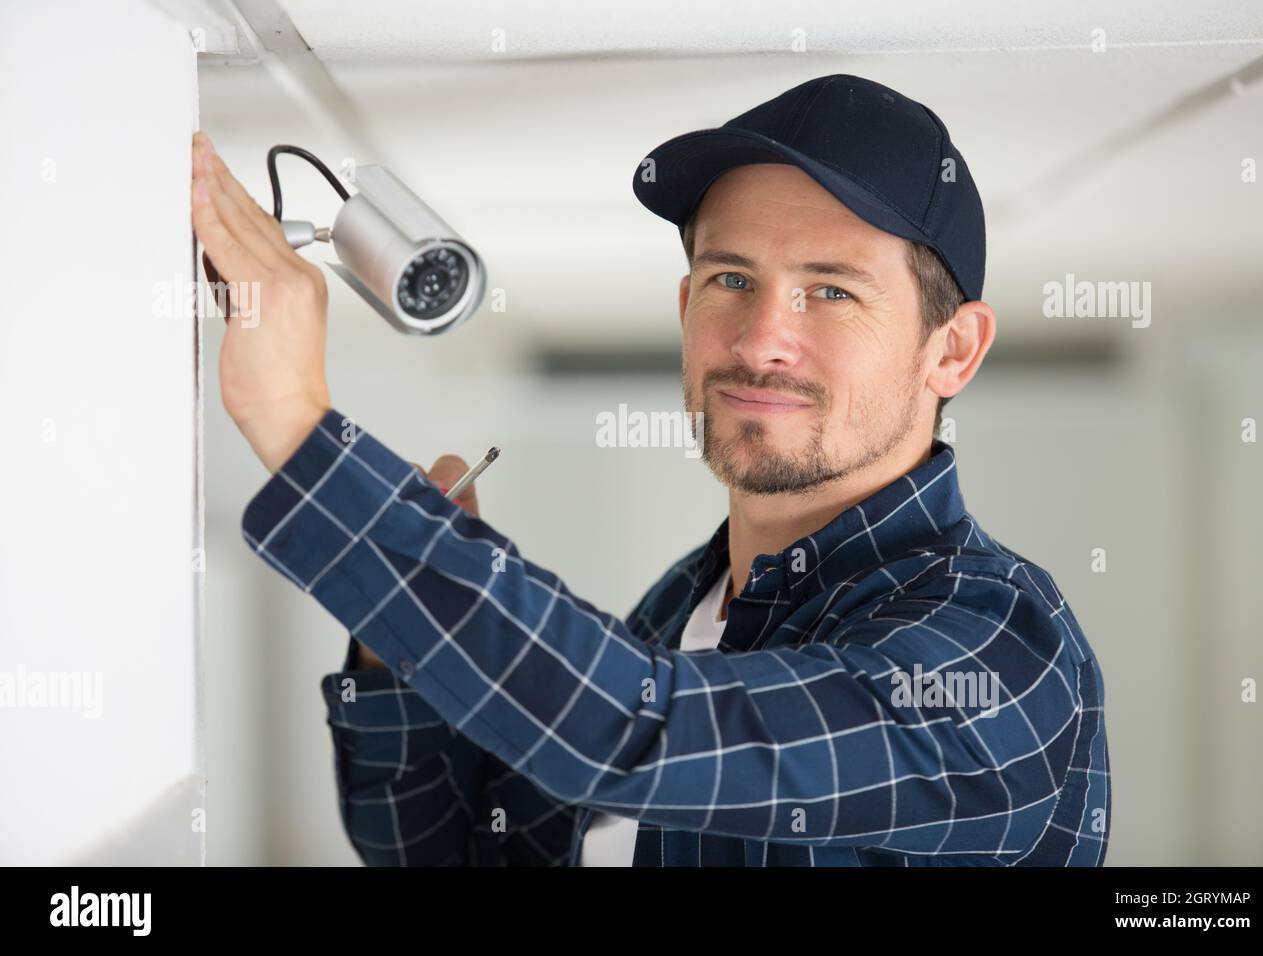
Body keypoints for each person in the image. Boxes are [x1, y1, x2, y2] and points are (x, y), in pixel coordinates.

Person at [192, 72, 1110, 867]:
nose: (761, 341)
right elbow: (463, 852)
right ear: (685, 305)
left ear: (954, 351)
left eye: (831, 291)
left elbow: (628, 729)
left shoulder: (999, 652)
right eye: (730, 280)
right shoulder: (687, 609)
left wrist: (294, 423)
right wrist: (398, 631)